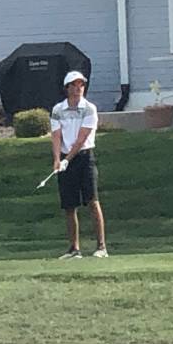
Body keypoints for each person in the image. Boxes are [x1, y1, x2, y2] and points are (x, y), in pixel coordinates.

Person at [50, 71, 108, 260]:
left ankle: (101, 247)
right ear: (67, 88)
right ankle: (74, 249)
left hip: (84, 157)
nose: (78, 88)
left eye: (81, 84)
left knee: (92, 201)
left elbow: (82, 138)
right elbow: (56, 136)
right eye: (74, 85)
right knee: (69, 205)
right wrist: (57, 159)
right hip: (65, 160)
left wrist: (67, 159)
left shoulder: (89, 108)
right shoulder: (58, 110)